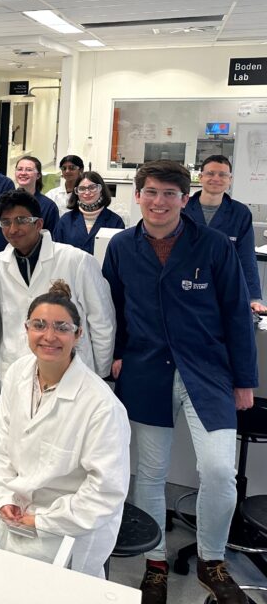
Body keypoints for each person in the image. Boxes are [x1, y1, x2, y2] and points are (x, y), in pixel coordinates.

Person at [103, 160, 257, 604]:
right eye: (151, 192)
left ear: (184, 200)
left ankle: (212, 561)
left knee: (218, 470)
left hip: (207, 373)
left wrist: (244, 378)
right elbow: (111, 306)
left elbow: (236, 313)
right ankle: (155, 565)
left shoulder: (212, 245)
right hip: (146, 370)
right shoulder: (122, 248)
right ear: (137, 196)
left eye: (170, 194)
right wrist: (115, 353)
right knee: (150, 475)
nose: (159, 202)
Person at [0, 282, 130, 579]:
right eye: (39, 325)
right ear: (26, 329)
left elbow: (105, 491)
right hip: (10, 506)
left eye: (62, 328)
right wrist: (3, 498)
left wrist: (42, 520)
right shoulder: (17, 374)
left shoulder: (102, 406)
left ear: (78, 335)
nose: (49, 336)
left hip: (67, 527)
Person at [0, 190, 114, 382]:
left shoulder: (76, 260)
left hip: (71, 369)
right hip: (15, 370)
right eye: (6, 222)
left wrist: (99, 376)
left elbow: (102, 321)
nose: (13, 229)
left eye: (21, 220)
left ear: (38, 224)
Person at [181, 155, 265, 314]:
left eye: (223, 175)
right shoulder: (181, 207)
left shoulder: (240, 213)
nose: (216, 178)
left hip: (224, 286)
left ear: (230, 180)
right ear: (201, 177)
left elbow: (246, 256)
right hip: (184, 284)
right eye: (210, 174)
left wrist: (252, 298)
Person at [52, 171, 124, 254]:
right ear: (76, 192)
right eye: (82, 189)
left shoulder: (115, 222)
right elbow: (57, 252)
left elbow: (119, 254)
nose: (87, 192)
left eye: (92, 187)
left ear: (101, 190)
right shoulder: (66, 220)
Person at [13, 156, 59, 233]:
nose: (23, 173)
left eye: (29, 170)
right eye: (19, 169)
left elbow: (53, 237)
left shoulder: (49, 206)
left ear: (38, 175)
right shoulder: (6, 202)